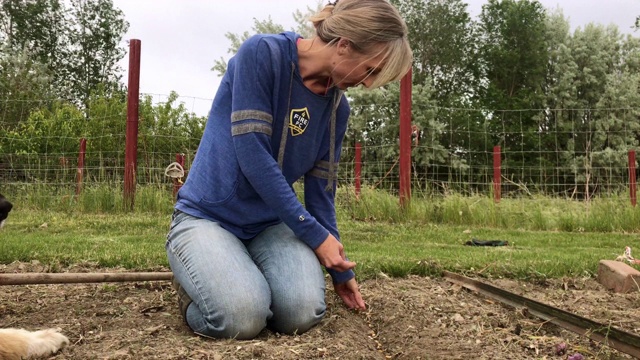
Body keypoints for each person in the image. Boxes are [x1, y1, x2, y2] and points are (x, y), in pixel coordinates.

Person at [166, 0, 412, 340]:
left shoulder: (337, 110)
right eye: (369, 70)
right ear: (343, 45)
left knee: (301, 313)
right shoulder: (262, 55)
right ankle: (199, 286)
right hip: (208, 218)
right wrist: (314, 237)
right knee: (240, 318)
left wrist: (340, 272)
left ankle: (240, 273)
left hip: (269, 225)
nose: (369, 83)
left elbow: (321, 194)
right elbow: (252, 154)